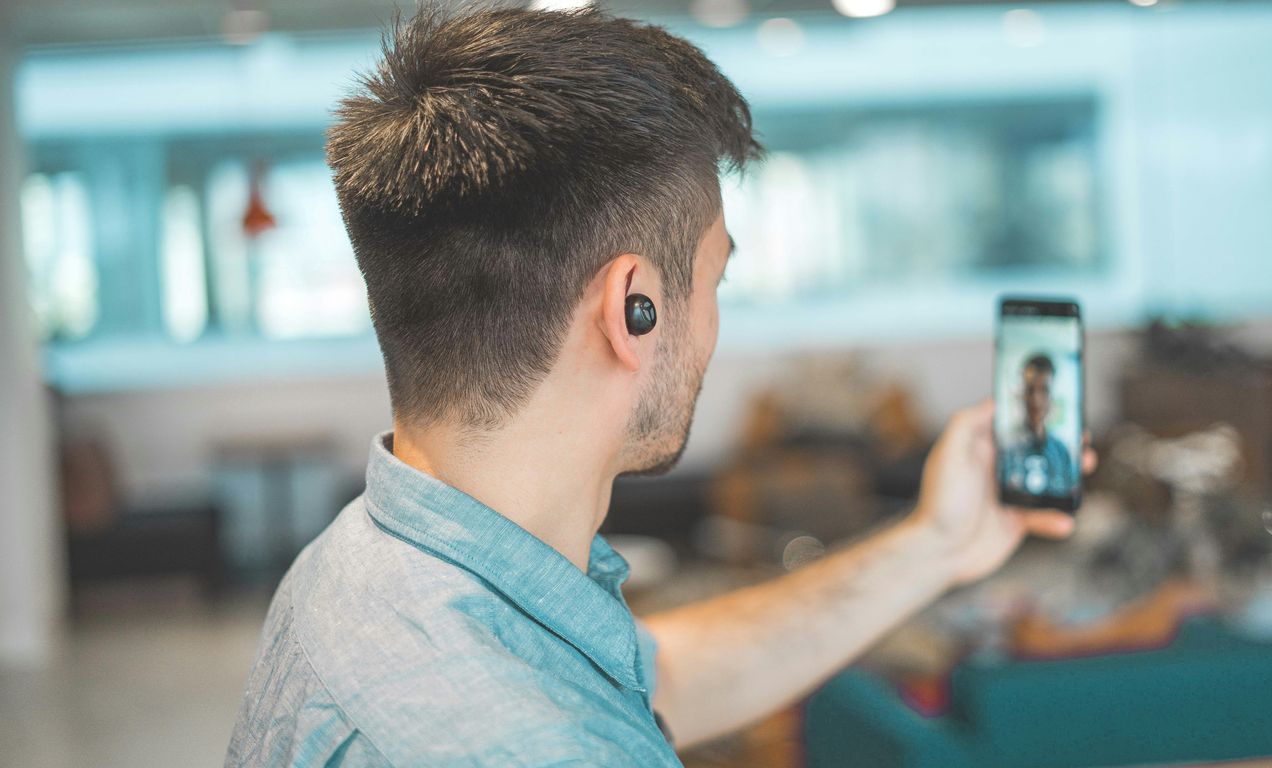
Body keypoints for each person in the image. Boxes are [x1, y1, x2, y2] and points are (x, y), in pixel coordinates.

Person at [227, 7, 1084, 766]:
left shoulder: (365, 565)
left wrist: (938, 541)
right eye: (716, 280)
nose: (713, 325)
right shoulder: (535, 745)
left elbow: (652, 677)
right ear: (631, 308)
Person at [1000, 353, 1077, 497]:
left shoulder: (1062, 451)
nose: (1036, 400)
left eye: (1044, 390)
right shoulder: (1004, 448)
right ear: (1022, 394)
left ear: (1052, 396)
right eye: (1030, 390)